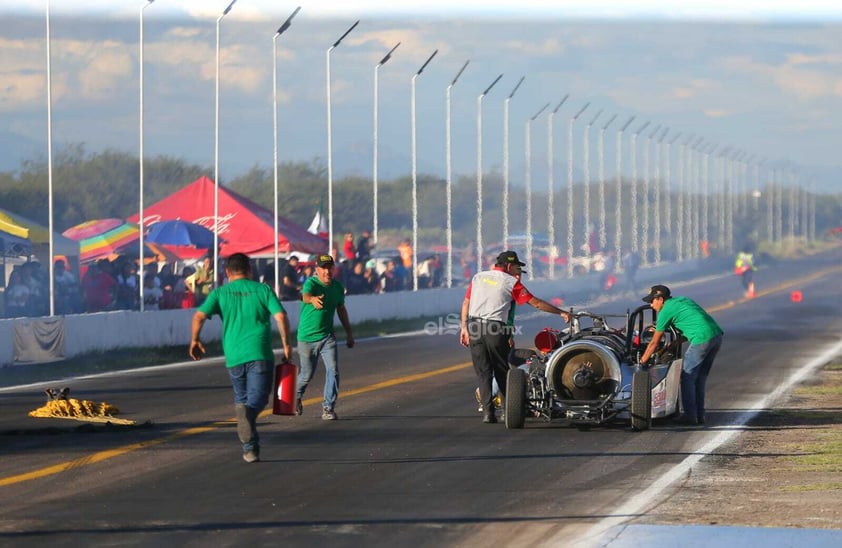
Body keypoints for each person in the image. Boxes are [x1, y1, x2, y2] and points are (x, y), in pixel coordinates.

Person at [189, 253, 292, 463]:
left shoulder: (220, 293)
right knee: (258, 399)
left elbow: (199, 316)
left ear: (227, 272)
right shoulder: (263, 290)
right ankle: (249, 417)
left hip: (234, 356)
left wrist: (194, 340)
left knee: (242, 400)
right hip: (259, 353)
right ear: (250, 270)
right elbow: (281, 316)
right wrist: (286, 345)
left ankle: (250, 449)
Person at [459, 251, 571, 424]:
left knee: (483, 372)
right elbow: (536, 303)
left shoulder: (478, 277)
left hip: (474, 326)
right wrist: (561, 312)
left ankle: (488, 413)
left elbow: (466, 302)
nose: (518, 272)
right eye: (517, 267)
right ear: (509, 266)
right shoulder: (511, 282)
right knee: (502, 370)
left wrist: (464, 328)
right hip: (495, 328)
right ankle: (507, 410)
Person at [638, 284, 724, 426]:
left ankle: (690, 416)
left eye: (652, 301)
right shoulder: (683, 300)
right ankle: (699, 415)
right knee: (700, 378)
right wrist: (675, 344)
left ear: (660, 299)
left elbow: (654, 342)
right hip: (715, 336)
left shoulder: (665, 311)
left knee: (687, 377)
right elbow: (694, 322)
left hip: (702, 338)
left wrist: (642, 362)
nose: (651, 305)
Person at [295, 254, 354, 420]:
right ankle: (296, 395)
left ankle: (328, 407)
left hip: (327, 336)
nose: (327, 272)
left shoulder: (337, 287)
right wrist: (312, 299)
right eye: (324, 268)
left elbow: (341, 310)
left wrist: (349, 333)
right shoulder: (311, 283)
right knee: (307, 374)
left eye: (330, 268)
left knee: (333, 370)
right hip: (306, 337)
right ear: (317, 270)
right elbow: (305, 296)